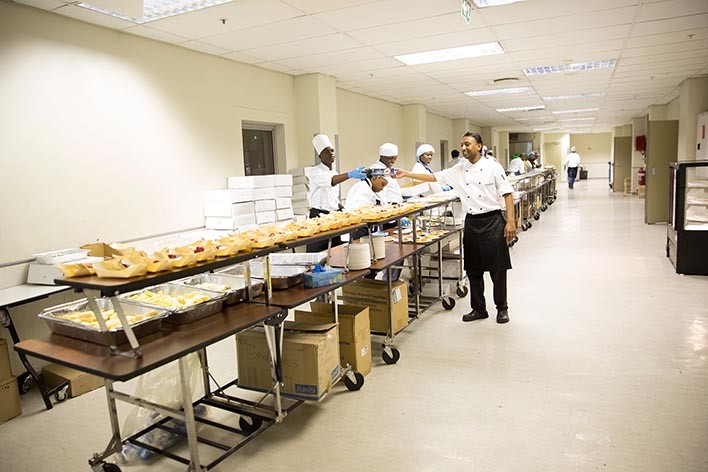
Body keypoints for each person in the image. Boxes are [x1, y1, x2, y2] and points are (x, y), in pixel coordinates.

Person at [393, 132, 516, 324]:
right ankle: (479, 309)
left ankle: (502, 308)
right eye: (462, 144)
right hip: (472, 222)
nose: (464, 147)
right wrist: (407, 174)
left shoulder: (493, 167)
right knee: (473, 269)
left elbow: (507, 194)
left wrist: (511, 221)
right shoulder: (459, 169)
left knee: (497, 269)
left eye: (468, 144)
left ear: (479, 146)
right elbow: (433, 177)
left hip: (493, 221)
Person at [305, 133, 366, 251]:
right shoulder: (315, 172)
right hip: (318, 217)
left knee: (335, 250)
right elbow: (331, 181)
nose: (331, 153)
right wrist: (350, 174)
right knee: (318, 251)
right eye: (326, 152)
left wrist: (343, 208)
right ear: (320, 156)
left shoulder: (334, 173)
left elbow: (332, 197)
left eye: (332, 150)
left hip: (333, 217)